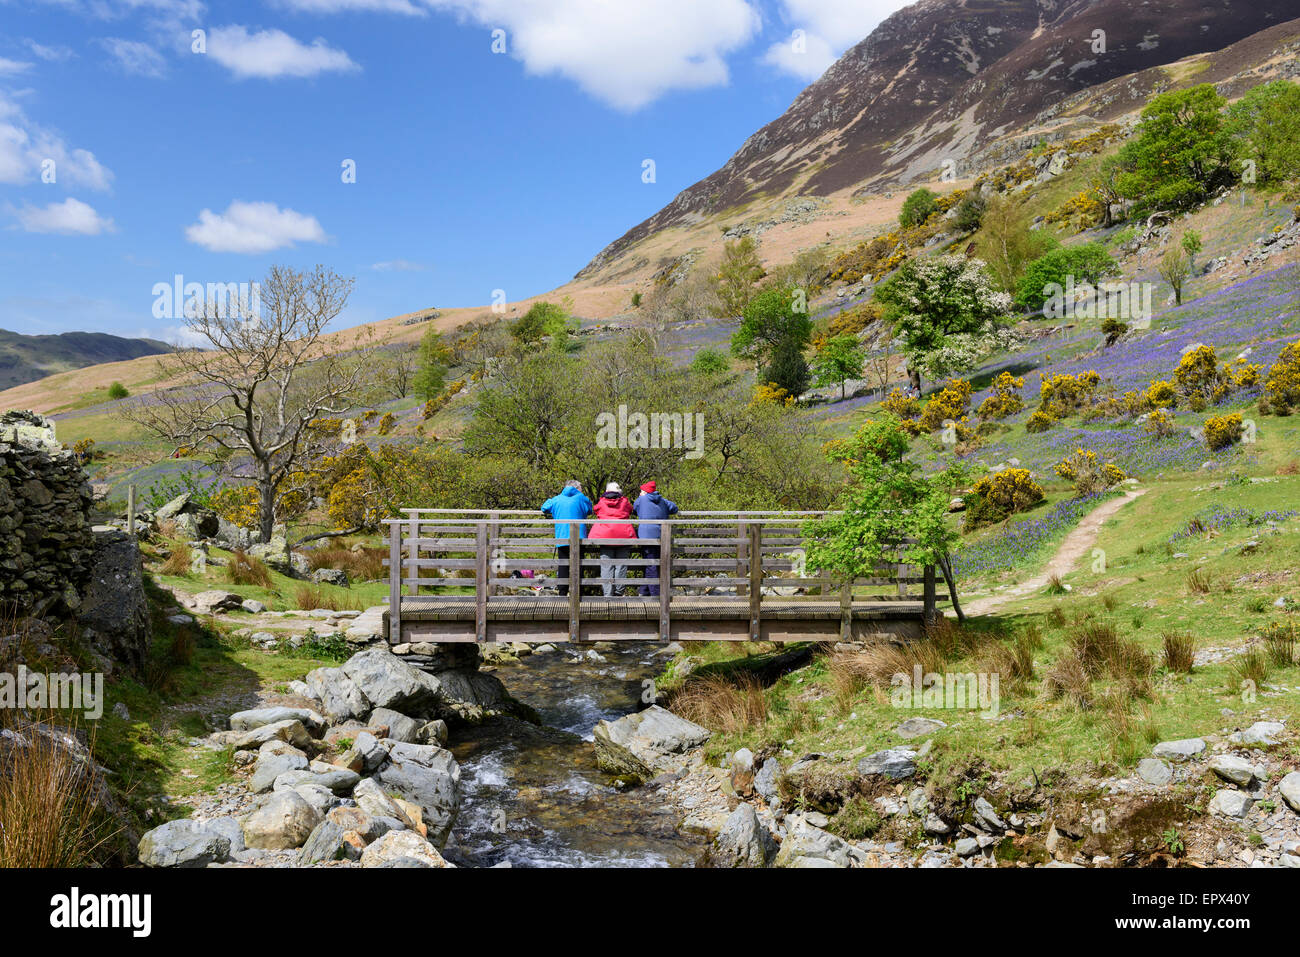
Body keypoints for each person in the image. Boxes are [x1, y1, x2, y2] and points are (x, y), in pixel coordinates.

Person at [540, 480, 592, 596]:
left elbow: (544, 507)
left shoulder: (557, 499)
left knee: (563, 565)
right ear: (577, 488)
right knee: (579, 565)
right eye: (581, 488)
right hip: (579, 538)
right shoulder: (582, 498)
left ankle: (562, 592)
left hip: (562, 537)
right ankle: (578, 593)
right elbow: (590, 509)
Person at [631, 480, 678, 596]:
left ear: (645, 492)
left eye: (641, 491)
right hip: (661, 536)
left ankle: (655, 594)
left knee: (650, 563)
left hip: (646, 536)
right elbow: (674, 508)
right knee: (654, 563)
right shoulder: (662, 500)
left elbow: (633, 509)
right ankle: (644, 590)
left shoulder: (641, 500)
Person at [590, 481, 635, 597]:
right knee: (621, 565)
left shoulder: (601, 502)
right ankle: (619, 592)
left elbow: (595, 510)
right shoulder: (624, 502)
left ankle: (607, 594)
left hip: (605, 537)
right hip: (623, 536)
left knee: (606, 566)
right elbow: (630, 510)